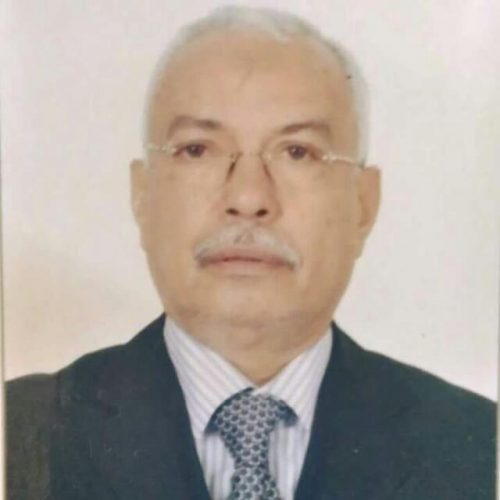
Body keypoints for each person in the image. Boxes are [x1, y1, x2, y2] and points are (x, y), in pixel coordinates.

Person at [7, 6, 495, 500]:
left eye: (298, 152)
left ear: (363, 205)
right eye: (197, 149)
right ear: (142, 195)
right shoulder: (21, 434)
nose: (247, 198)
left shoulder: (477, 449)